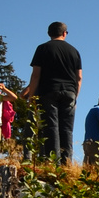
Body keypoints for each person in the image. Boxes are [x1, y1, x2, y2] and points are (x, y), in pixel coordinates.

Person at [25, 22, 82, 165]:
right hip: (69, 91)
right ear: (64, 33)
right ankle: (66, 162)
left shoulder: (42, 48)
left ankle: (53, 163)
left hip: (48, 91)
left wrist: (31, 96)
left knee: (51, 127)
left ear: (49, 33)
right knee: (66, 128)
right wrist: (76, 95)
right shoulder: (74, 51)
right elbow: (79, 77)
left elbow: (35, 75)